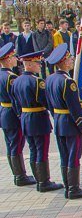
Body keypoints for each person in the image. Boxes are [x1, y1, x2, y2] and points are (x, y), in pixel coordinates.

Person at [44, 44, 82, 199]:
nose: (72, 61)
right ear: (64, 62)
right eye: (70, 59)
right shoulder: (68, 82)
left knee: (64, 155)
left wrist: (56, 117)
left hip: (59, 121)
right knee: (73, 155)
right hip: (70, 123)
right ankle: (73, 189)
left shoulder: (50, 79)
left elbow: (49, 104)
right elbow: (74, 107)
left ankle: (67, 186)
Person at [11, 50, 62, 192]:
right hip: (38, 119)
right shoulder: (37, 82)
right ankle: (44, 182)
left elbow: (15, 103)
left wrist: (21, 116)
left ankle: (39, 180)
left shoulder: (17, 80)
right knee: (41, 150)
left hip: (25, 118)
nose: (40, 65)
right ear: (29, 64)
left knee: (33, 150)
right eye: (37, 63)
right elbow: (46, 102)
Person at [0, 43, 35, 187]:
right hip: (12, 113)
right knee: (16, 144)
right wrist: (20, 115)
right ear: (8, 59)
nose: (16, 59)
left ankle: (17, 174)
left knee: (10, 144)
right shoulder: (11, 77)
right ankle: (20, 176)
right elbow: (15, 99)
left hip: (4, 111)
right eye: (13, 57)